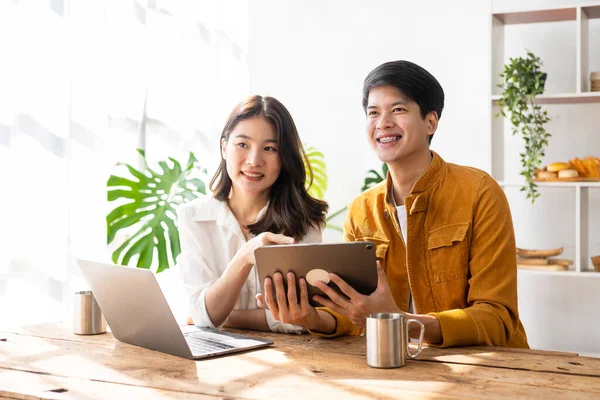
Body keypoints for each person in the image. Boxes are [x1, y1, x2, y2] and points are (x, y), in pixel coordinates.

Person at [264, 61, 529, 348]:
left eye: (398, 110)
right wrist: (310, 319)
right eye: (373, 112)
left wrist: (400, 321)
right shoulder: (361, 210)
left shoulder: (479, 192)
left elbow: (497, 318)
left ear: (431, 121)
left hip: (490, 368)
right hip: (398, 364)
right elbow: (352, 316)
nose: (383, 122)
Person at [177, 95, 330, 333]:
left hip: (292, 359)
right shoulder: (193, 218)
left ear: (284, 159)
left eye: (269, 148)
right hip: (213, 359)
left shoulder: (304, 221)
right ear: (224, 148)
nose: (254, 160)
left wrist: (227, 317)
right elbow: (204, 315)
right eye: (243, 145)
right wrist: (245, 256)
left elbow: (298, 320)